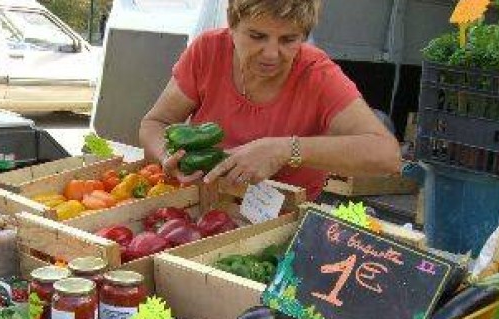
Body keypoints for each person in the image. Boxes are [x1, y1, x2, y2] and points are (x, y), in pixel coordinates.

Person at [139, 0, 401, 200]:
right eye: (257, 36)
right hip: (204, 203)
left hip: (284, 215)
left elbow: (386, 154)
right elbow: (156, 122)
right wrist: (166, 157)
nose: (271, 53)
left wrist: (285, 150)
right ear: (232, 25)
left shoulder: (317, 74)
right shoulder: (207, 51)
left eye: (289, 39)